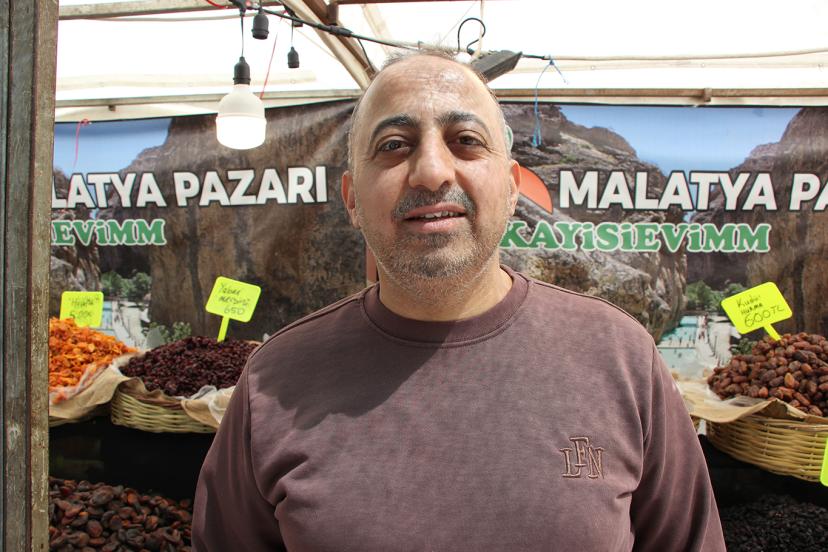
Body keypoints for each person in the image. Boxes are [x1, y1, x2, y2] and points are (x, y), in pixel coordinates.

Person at [192, 51, 726, 551]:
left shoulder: (622, 358)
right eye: (394, 145)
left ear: (512, 189)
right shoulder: (273, 382)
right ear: (352, 200)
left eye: (466, 140)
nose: (432, 171)